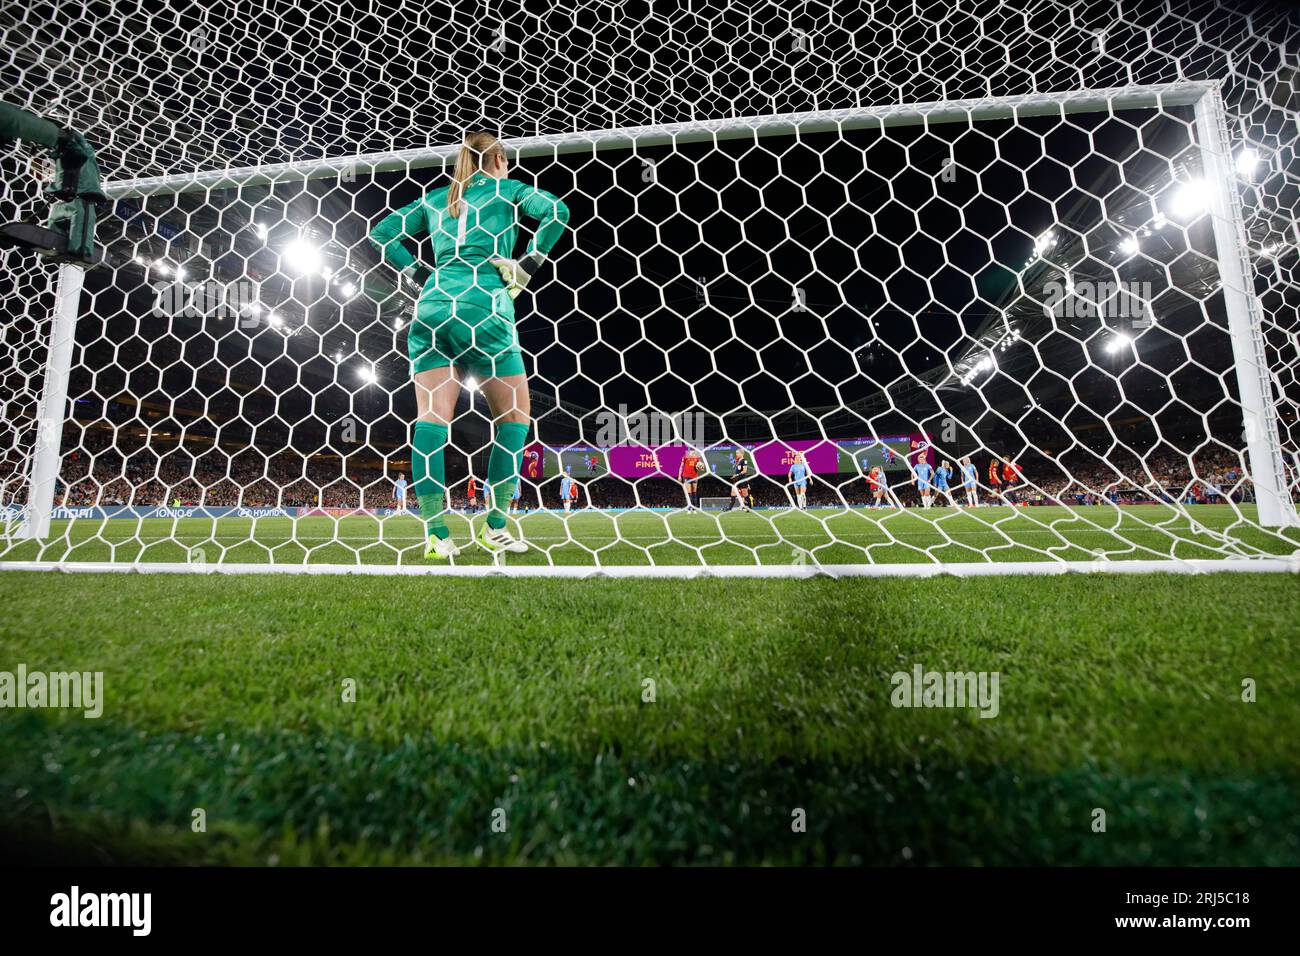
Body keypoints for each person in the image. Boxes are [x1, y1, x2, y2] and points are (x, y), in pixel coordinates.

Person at [369, 131, 570, 559]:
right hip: (485, 306)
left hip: (432, 307)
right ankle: (495, 525)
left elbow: (382, 233)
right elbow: (557, 210)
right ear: (498, 157)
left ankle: (437, 535)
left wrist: (421, 276)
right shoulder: (509, 189)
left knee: (432, 418)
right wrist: (528, 264)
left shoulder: (436, 198)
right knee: (514, 415)